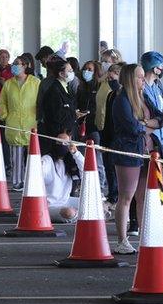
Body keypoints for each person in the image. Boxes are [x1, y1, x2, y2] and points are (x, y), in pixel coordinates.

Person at [109, 63, 163, 254]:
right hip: (129, 151)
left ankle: (143, 236)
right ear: (129, 79)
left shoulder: (144, 96)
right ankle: (122, 239)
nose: (144, 79)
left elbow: (161, 118)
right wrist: (147, 125)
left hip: (147, 152)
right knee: (126, 197)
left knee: (143, 197)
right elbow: (133, 128)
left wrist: (144, 123)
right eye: (140, 77)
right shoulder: (121, 100)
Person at [0, 53, 40, 191]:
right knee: (15, 158)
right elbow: (2, 102)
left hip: (32, 124)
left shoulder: (35, 82)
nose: (14, 66)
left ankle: (32, 182)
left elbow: (41, 101)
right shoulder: (8, 84)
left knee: (32, 156)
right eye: (14, 64)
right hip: (14, 124)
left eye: (17, 63)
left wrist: (40, 117)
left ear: (25, 66)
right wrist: (5, 115)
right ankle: (17, 183)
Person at [77, 60, 107, 193]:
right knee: (82, 157)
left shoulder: (100, 87)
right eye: (85, 69)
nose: (86, 72)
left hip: (95, 127)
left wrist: (89, 112)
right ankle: (85, 184)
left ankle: (100, 184)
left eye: (90, 69)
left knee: (97, 158)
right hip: (82, 126)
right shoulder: (81, 87)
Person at [42, 133, 85, 224]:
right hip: (48, 206)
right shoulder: (47, 160)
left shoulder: (70, 162)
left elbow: (86, 169)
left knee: (95, 204)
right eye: (59, 142)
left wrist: (76, 153)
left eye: (66, 143)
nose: (62, 145)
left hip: (66, 201)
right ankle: (81, 216)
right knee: (69, 212)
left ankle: (80, 215)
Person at [39, 57, 77, 158]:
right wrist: (74, 114)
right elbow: (56, 115)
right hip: (58, 135)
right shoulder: (54, 91)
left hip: (68, 133)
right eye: (69, 71)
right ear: (61, 74)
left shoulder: (66, 88)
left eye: (72, 70)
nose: (72, 72)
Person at [96, 62, 123, 204]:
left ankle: (117, 194)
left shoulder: (126, 96)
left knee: (115, 168)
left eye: (113, 79)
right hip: (107, 134)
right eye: (109, 80)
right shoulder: (111, 94)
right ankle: (113, 193)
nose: (111, 82)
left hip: (119, 137)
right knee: (109, 166)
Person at [140, 51, 163, 159]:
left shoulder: (159, 86)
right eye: (161, 65)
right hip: (151, 138)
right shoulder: (141, 88)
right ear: (155, 69)